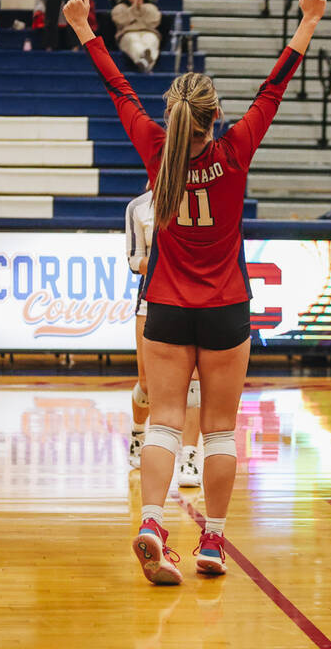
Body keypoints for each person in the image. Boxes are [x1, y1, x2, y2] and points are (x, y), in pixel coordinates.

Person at [64, 0, 326, 584]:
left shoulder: (156, 149)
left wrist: (84, 28)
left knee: (162, 423)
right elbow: (275, 87)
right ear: (216, 115)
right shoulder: (235, 150)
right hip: (228, 308)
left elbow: (118, 89)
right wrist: (307, 21)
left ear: (175, 114)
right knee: (219, 431)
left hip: (166, 307)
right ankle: (212, 539)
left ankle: (152, 522)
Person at [126, 188, 201, 487]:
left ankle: (191, 457)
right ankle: (136, 432)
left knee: (193, 381)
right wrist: (164, 264)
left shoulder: (196, 199)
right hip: (152, 299)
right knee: (147, 384)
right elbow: (134, 261)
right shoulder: (138, 207)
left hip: (192, 299)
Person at [112, 0, 162, 72]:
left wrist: (141, 9)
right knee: (133, 41)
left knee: (152, 39)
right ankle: (145, 60)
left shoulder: (150, 8)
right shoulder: (120, 8)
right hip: (128, 33)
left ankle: (143, 62)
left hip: (148, 32)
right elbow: (121, 22)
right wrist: (133, 9)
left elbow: (154, 22)